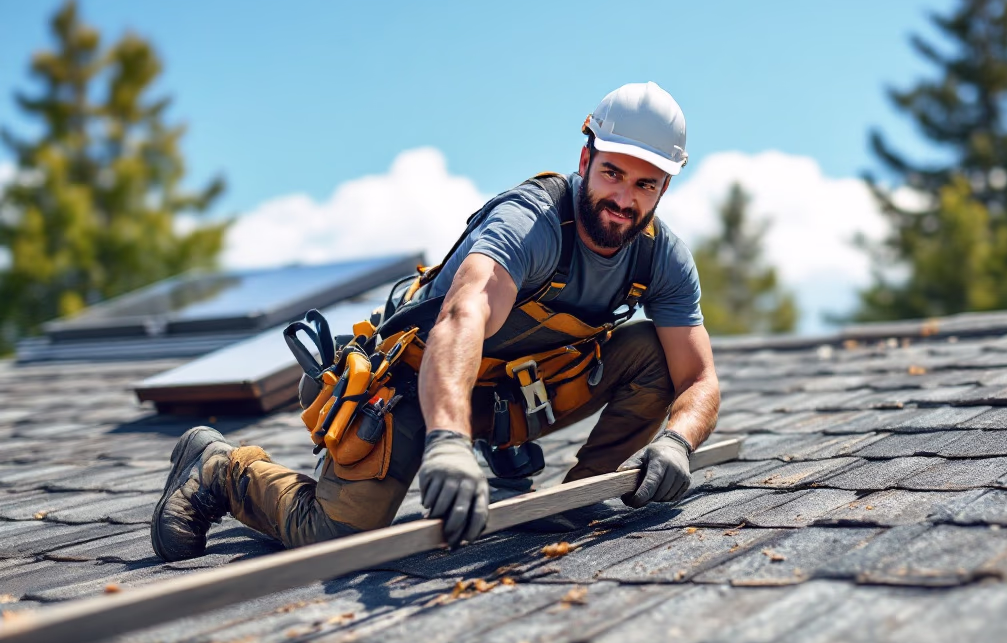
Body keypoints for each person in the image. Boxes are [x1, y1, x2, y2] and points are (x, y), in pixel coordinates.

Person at [151, 82, 720, 559]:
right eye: (613, 173)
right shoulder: (533, 223)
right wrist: (447, 440)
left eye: (645, 185)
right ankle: (222, 468)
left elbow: (698, 378)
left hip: (510, 392)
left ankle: (580, 494)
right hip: (416, 382)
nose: (623, 198)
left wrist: (678, 441)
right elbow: (462, 315)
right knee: (335, 535)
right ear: (585, 161)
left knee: (654, 354)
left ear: (664, 187)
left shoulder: (660, 256)